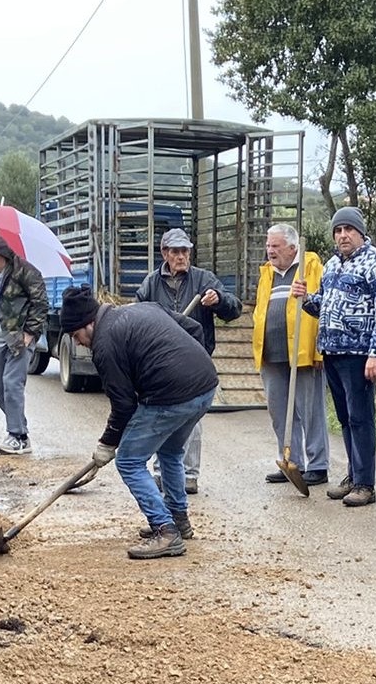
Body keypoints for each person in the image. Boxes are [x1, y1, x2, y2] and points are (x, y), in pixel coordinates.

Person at [59, 285, 219, 559]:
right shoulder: (144, 308)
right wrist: (189, 365)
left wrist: (107, 444)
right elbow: (194, 329)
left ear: (89, 323)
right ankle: (178, 519)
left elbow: (123, 405)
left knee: (129, 462)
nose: (77, 343)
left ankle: (165, 530)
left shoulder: (104, 345)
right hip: (205, 386)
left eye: (76, 335)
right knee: (170, 451)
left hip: (173, 395)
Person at [135, 228, 240, 494]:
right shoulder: (150, 284)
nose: (181, 256)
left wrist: (219, 301)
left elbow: (234, 308)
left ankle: (189, 475)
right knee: (163, 415)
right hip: (161, 361)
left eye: (185, 251)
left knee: (191, 418)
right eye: (175, 251)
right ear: (165, 254)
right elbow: (137, 313)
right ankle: (161, 472)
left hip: (196, 358)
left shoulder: (204, 279)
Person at [306, 206, 376, 508]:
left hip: (359, 354)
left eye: (349, 230)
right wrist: (306, 299)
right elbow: (325, 303)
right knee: (345, 418)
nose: (343, 235)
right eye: (338, 231)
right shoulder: (332, 265)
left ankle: (365, 484)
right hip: (331, 351)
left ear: (360, 232)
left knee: (361, 419)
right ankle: (351, 474)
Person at [252, 223, 329, 486]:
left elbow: (322, 308)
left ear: (292, 248)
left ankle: (317, 465)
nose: (269, 251)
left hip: (303, 352)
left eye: (275, 246)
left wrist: (319, 351)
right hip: (272, 353)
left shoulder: (311, 267)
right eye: (268, 245)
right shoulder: (267, 273)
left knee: (310, 411)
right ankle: (291, 461)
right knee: (279, 412)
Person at [0, 230, 46, 456]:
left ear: (2, 253)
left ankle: (17, 436)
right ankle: (21, 433)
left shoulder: (25, 271)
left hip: (18, 340)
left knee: (12, 385)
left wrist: (30, 333)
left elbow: (40, 303)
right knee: (1, 392)